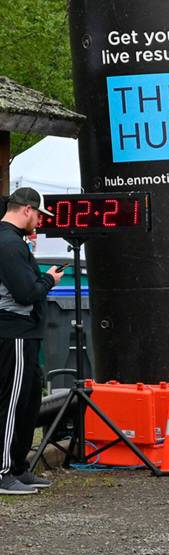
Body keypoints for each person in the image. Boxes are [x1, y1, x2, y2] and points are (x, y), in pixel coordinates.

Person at [0, 187, 62, 494]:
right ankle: (3, 472)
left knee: (28, 402)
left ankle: (19, 467)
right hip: (13, 333)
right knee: (11, 403)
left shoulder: (15, 242)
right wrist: (50, 279)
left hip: (24, 334)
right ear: (26, 209)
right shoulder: (8, 243)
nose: (40, 220)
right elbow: (26, 293)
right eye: (39, 214)